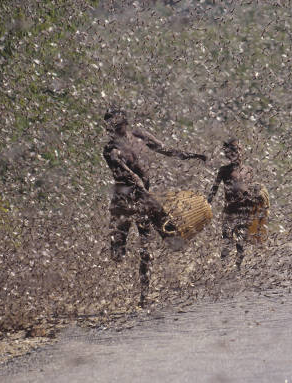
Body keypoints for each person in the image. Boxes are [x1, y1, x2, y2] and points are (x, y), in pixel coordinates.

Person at [102, 109, 206, 307]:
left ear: (124, 121)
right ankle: (121, 283)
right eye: (108, 125)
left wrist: (191, 156)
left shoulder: (139, 136)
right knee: (117, 253)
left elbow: (165, 149)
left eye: (115, 122)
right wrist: (136, 180)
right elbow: (119, 166)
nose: (112, 127)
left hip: (143, 196)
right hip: (123, 199)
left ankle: (144, 295)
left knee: (150, 244)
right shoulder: (110, 149)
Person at [207, 138, 266, 270]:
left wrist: (256, 198)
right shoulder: (224, 170)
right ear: (227, 154)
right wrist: (206, 205)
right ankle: (222, 270)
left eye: (238, 149)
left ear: (242, 151)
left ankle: (237, 271)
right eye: (231, 150)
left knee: (241, 244)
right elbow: (213, 190)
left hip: (244, 212)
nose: (235, 152)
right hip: (229, 212)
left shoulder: (249, 170)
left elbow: (251, 189)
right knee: (227, 241)